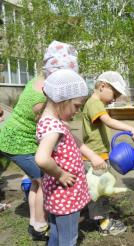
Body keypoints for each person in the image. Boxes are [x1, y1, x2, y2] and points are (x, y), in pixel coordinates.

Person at [0, 40, 78, 241]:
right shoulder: (43, 96)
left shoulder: (38, 80)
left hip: (13, 137)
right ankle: (41, 223)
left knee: (37, 181)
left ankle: (36, 222)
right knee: (45, 180)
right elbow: (47, 122)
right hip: (18, 142)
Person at [35, 69, 104, 245]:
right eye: (76, 106)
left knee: (57, 235)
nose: (78, 111)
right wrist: (61, 174)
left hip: (56, 195)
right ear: (62, 100)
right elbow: (42, 159)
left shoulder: (52, 121)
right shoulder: (54, 128)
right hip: (64, 195)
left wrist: (92, 156)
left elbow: (75, 141)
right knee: (68, 239)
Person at [82, 71, 134, 235]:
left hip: (96, 155)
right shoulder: (94, 104)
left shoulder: (93, 103)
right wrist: (130, 127)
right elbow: (108, 121)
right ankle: (105, 225)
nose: (114, 99)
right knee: (101, 191)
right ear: (102, 86)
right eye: (114, 94)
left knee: (96, 190)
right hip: (96, 157)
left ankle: (97, 217)